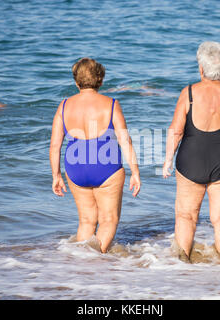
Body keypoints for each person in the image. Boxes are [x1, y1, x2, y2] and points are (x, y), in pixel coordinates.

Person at [49, 57, 141, 253]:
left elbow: (55, 145)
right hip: (106, 167)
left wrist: (56, 175)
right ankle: (94, 265)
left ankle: (80, 264)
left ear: (76, 81)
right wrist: (135, 171)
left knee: (86, 220)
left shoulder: (64, 105)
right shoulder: (111, 104)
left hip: (75, 168)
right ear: (100, 80)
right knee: (108, 219)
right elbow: (125, 140)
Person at [163, 41, 220, 262]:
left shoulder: (188, 92)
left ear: (200, 68)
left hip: (191, 161)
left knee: (186, 216)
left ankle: (182, 266)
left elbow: (176, 131)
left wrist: (167, 160)